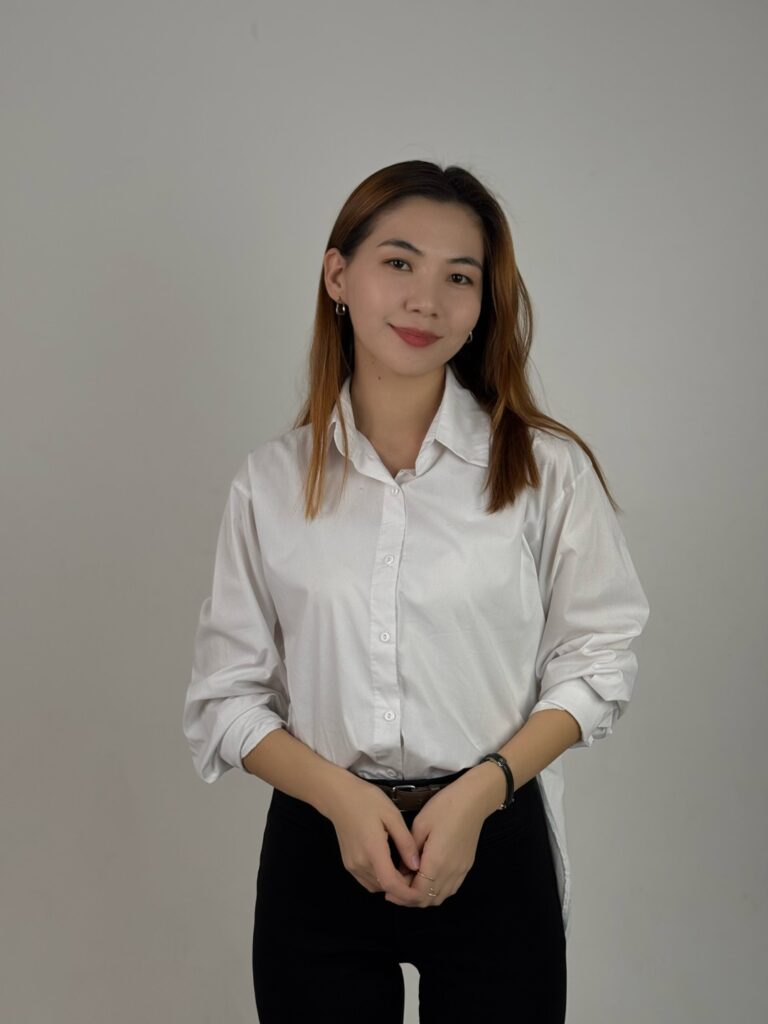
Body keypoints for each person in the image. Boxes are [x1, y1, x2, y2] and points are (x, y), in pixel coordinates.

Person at [182, 159, 651, 1023]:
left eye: (459, 277)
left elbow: (599, 661)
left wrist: (483, 791)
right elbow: (226, 697)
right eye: (398, 262)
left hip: (493, 837)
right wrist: (342, 799)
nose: (426, 300)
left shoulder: (545, 472)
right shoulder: (269, 484)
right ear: (338, 276)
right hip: (321, 844)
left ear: (482, 305)